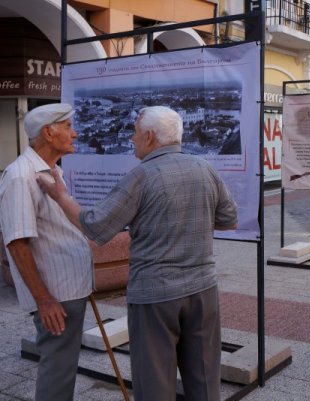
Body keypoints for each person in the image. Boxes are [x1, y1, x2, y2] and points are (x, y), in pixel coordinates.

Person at [38, 106, 238, 401]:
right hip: (203, 290)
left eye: (133, 133)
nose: (131, 140)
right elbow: (230, 219)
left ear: (149, 136)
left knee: (155, 383)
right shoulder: (204, 167)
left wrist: (61, 196)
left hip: (155, 296)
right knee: (206, 379)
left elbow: (95, 225)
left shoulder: (142, 176)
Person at [0, 103, 94, 401]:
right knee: (57, 371)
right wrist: (44, 299)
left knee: (63, 368)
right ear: (48, 133)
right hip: (55, 295)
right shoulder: (20, 176)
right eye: (68, 127)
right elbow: (17, 243)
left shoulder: (54, 172)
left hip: (68, 288)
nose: (74, 133)